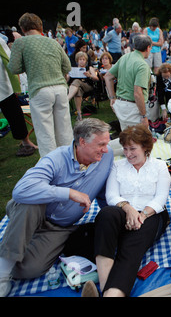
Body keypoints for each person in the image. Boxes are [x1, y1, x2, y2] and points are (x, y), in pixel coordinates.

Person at [0, 118, 114, 297]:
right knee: (29, 202)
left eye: (107, 144)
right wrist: (68, 193)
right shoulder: (57, 158)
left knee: (31, 269)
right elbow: (21, 190)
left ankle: (11, 249)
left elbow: (103, 191)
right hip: (35, 212)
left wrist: (115, 217)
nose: (106, 149)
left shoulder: (106, 156)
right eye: (101, 144)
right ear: (82, 142)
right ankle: (2, 273)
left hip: (59, 227)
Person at [84, 124, 170, 297]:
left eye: (133, 149)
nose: (128, 153)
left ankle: (111, 294)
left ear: (145, 147)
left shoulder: (160, 166)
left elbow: (161, 199)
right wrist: (128, 208)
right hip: (122, 211)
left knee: (131, 247)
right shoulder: (118, 166)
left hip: (152, 214)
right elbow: (111, 196)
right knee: (106, 214)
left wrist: (142, 215)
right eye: (125, 149)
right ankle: (105, 284)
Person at [8, 13, 73, 157]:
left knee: (45, 134)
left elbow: (14, 68)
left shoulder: (21, 43)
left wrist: (28, 65)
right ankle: (70, 162)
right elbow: (67, 66)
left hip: (40, 89)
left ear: (22, 28)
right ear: (40, 26)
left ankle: (50, 168)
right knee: (65, 131)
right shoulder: (53, 42)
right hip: (60, 89)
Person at [104, 34, 152, 131]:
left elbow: (108, 77)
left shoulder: (125, 57)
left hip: (121, 105)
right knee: (140, 143)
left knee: (128, 142)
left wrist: (112, 97)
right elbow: (137, 93)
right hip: (133, 109)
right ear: (148, 48)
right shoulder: (142, 65)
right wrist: (143, 116)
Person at [0, 37, 37, 157]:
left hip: (4, 87)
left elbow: (9, 61)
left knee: (15, 115)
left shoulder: (0, 41)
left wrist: (17, 86)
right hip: (5, 87)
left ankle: (26, 142)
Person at [67, 51, 100, 121]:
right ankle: (79, 114)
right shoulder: (73, 69)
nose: (82, 61)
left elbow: (96, 79)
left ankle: (67, 99)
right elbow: (67, 80)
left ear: (86, 61)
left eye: (83, 59)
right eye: (80, 59)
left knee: (76, 81)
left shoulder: (89, 68)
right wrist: (68, 75)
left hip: (87, 86)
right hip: (77, 88)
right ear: (77, 61)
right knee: (78, 91)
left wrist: (90, 75)